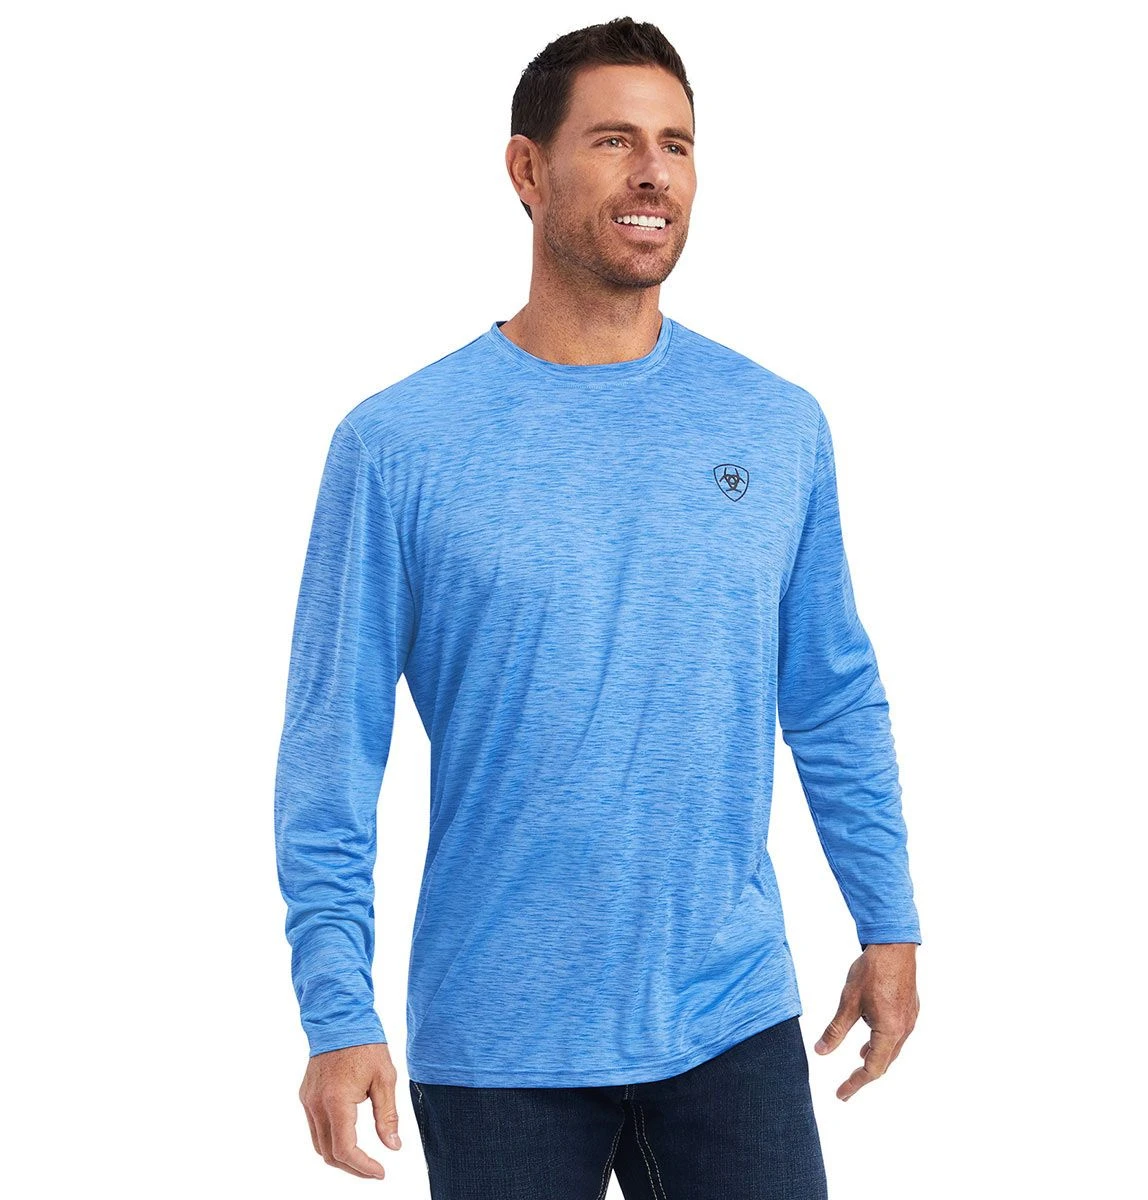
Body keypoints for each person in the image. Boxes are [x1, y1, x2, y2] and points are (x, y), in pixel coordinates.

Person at [274, 16, 921, 1198]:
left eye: (676, 144)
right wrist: (336, 1010)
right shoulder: (399, 446)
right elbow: (332, 750)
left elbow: (832, 696)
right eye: (614, 140)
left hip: (730, 1013)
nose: (652, 173)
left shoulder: (775, 424)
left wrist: (888, 921)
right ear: (527, 170)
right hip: (499, 1037)